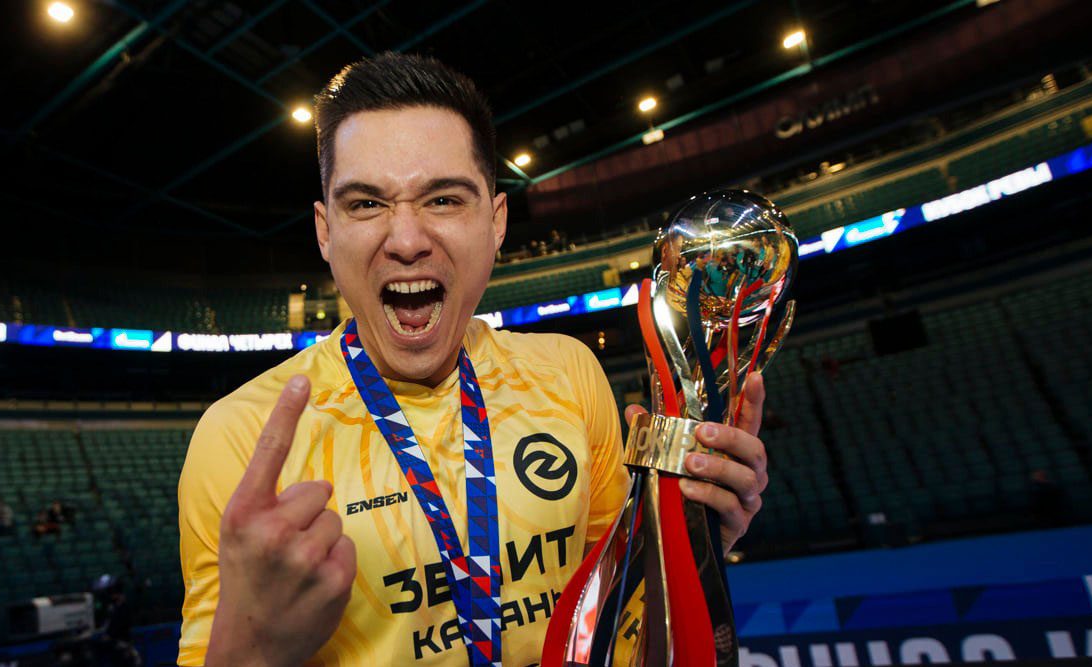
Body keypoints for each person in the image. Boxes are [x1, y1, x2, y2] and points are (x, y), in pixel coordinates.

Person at [178, 53, 771, 667]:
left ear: (496, 221)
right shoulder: (240, 437)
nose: (406, 240)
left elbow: (621, 627)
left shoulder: (568, 375)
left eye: (443, 200)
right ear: (325, 232)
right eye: (366, 205)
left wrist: (690, 547)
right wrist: (249, 653)